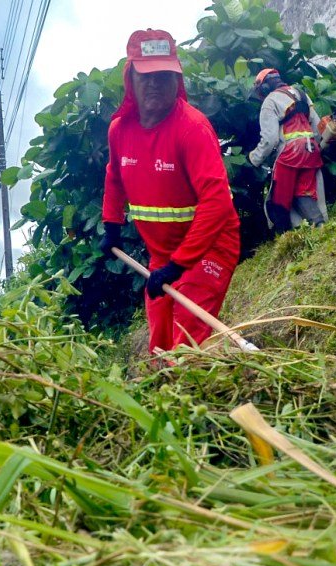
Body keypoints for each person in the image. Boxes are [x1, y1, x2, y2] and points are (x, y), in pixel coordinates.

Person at [99, 29, 241, 356]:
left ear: (176, 78)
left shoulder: (192, 129)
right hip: (163, 254)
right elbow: (115, 175)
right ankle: (163, 395)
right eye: (146, 76)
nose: (155, 84)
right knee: (160, 345)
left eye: (164, 76)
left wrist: (179, 265)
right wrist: (111, 226)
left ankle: (188, 399)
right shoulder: (120, 130)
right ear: (130, 78)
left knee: (185, 345)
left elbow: (217, 202)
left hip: (209, 247)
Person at [247, 68, 327, 232]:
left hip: (290, 153)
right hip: (311, 150)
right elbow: (318, 129)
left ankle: (285, 237)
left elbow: (270, 139)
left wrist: (254, 158)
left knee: (279, 200)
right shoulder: (302, 94)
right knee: (303, 192)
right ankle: (321, 227)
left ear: (264, 87)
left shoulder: (269, 101)